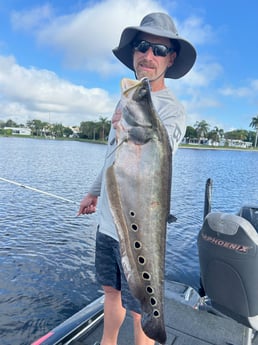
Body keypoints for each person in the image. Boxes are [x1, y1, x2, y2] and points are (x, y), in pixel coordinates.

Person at [78, 12, 196, 345]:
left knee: (140, 309)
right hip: (107, 223)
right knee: (111, 293)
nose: (148, 56)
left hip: (141, 230)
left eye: (159, 50)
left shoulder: (171, 111)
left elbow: (162, 150)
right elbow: (113, 157)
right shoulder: (129, 99)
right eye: (142, 47)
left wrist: (137, 129)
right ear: (133, 53)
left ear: (170, 59)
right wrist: (93, 192)